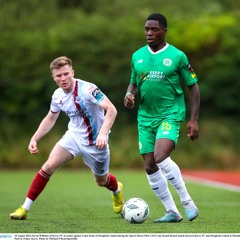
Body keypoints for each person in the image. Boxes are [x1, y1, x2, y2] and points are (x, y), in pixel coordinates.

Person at [10, 56, 124, 220]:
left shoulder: (89, 89)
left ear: (72, 72)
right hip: (73, 137)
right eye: (58, 75)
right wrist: (35, 138)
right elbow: (50, 119)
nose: (63, 79)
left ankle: (117, 190)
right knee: (48, 166)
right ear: (53, 77)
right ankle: (24, 208)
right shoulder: (57, 96)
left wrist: (102, 134)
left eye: (65, 74)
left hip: (95, 143)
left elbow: (111, 110)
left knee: (101, 181)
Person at [124, 13, 200, 223]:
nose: (149, 33)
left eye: (154, 29)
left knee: (160, 156)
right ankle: (172, 212)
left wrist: (193, 119)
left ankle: (187, 203)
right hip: (145, 117)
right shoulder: (137, 56)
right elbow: (133, 82)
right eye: (147, 29)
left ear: (164, 31)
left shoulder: (177, 56)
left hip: (170, 113)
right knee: (149, 165)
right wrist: (129, 95)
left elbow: (193, 88)